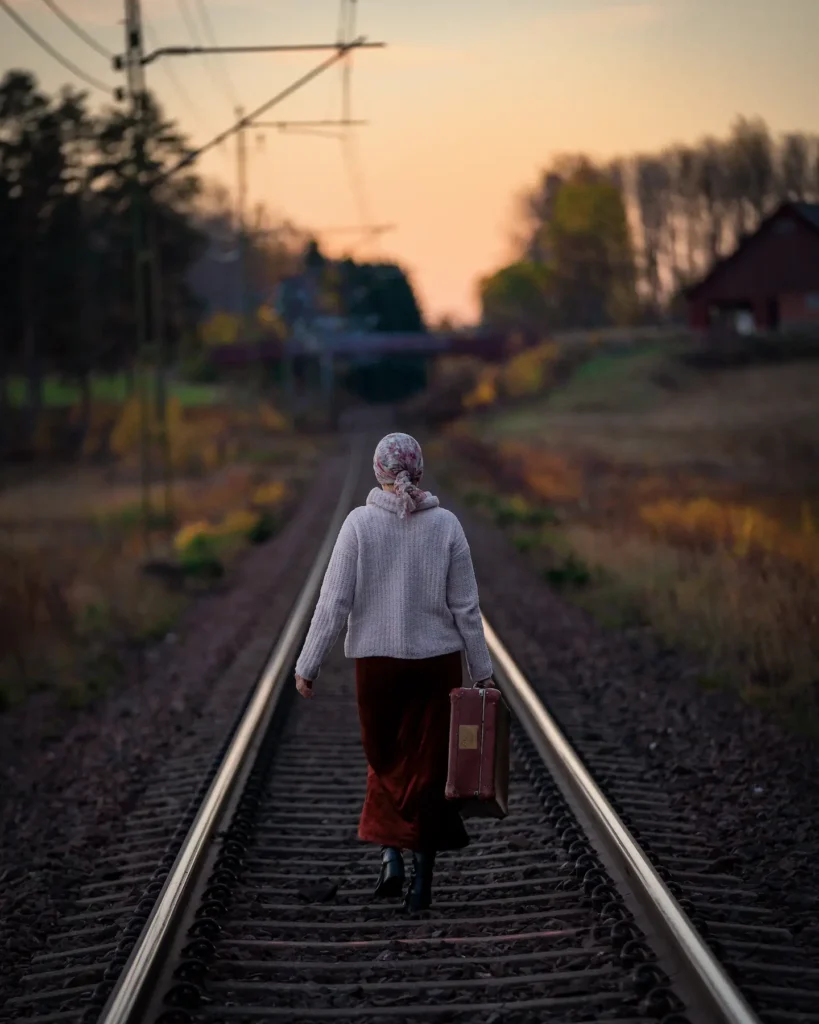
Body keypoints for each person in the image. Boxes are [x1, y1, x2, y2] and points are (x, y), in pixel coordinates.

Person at [294, 432, 495, 914]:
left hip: (377, 668)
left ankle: (391, 858)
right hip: (436, 666)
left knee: (385, 762)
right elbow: (466, 608)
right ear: (420, 470)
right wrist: (482, 672)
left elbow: (334, 602)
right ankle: (421, 883)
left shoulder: (358, 525)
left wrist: (308, 664)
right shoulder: (447, 526)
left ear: (377, 472)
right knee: (428, 772)